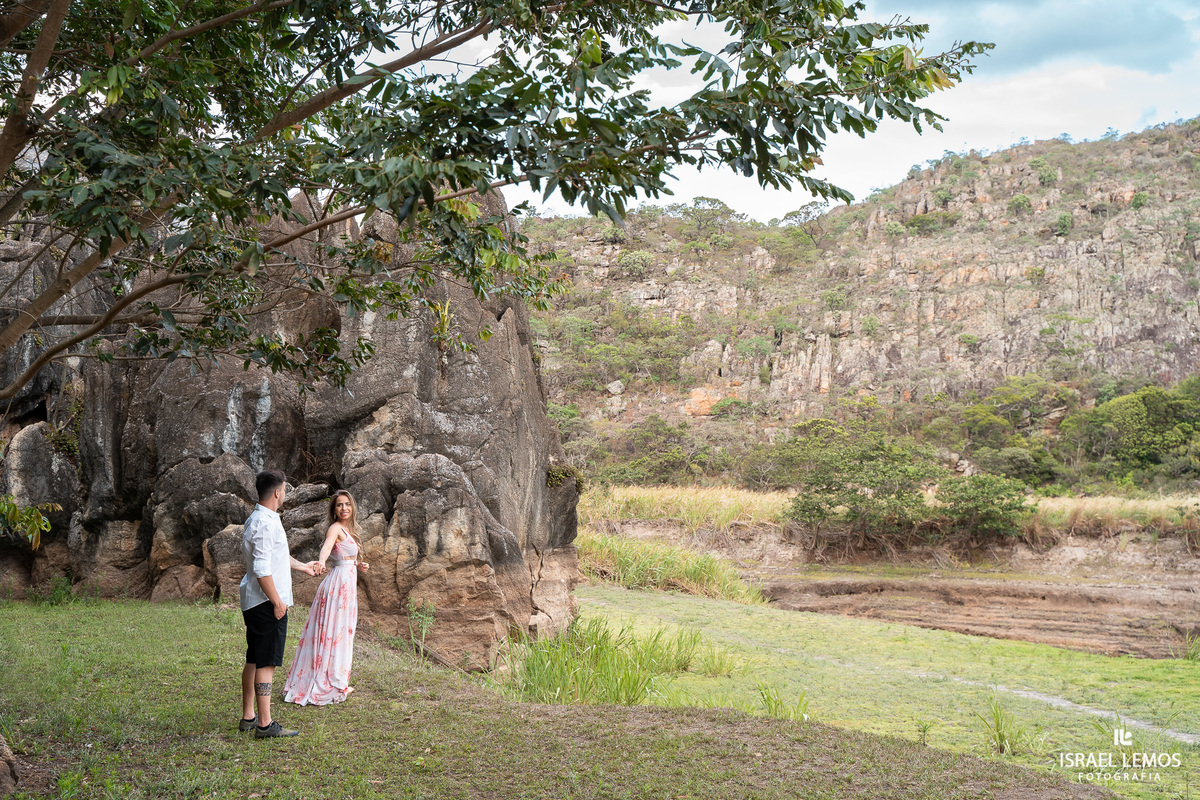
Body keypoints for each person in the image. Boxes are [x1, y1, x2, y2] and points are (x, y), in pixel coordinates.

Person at [238, 470, 321, 739]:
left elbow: (276, 557)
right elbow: (262, 569)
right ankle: (265, 724)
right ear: (277, 492)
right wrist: (277, 602)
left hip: (255, 601)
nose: (284, 493)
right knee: (266, 661)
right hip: (265, 603)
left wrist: (303, 567)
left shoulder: (262, 519)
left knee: (254, 656)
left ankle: (249, 716)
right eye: (284, 489)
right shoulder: (265, 523)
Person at [283, 490, 370, 706]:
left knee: (342, 632)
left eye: (347, 504)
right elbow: (327, 547)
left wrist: (359, 564)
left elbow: (344, 556)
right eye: (339, 505)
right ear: (334, 510)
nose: (344, 508)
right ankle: (330, 682)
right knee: (335, 632)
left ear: (353, 507)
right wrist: (321, 561)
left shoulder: (350, 530)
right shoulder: (335, 528)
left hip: (347, 583)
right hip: (338, 585)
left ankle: (338, 679)